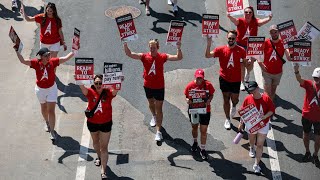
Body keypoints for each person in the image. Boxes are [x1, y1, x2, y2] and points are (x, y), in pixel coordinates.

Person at [123, 39, 183, 144]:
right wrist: (125, 43)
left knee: (159, 108)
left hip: (159, 87)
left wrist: (178, 48)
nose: (152, 49)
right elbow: (129, 54)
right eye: (150, 47)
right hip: (148, 86)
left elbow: (178, 57)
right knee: (151, 103)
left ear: (158, 47)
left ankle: (158, 132)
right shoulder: (144, 56)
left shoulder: (163, 57)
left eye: (154, 47)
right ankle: (154, 116)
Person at [14, 47, 75, 142]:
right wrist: (17, 51)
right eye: (46, 55)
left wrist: (74, 51)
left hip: (52, 89)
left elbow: (65, 58)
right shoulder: (35, 63)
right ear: (41, 56)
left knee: (51, 111)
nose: (48, 57)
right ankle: (47, 122)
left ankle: (52, 131)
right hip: (40, 90)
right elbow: (22, 61)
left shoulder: (53, 62)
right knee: (43, 108)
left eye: (49, 55)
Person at [78, 74, 119, 180]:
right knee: (96, 142)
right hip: (92, 123)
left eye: (100, 83)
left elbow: (115, 91)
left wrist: (118, 81)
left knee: (104, 147)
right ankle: (99, 157)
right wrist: (78, 78)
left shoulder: (108, 92)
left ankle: (103, 170)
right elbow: (82, 88)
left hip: (106, 123)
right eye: (96, 83)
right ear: (93, 83)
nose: (98, 85)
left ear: (103, 83)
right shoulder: (90, 92)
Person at [205, 30, 245, 130]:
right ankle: (227, 119)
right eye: (229, 38)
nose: (231, 40)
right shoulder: (220, 49)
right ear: (227, 38)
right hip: (224, 79)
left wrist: (252, 60)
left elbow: (245, 64)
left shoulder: (241, 50)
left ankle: (234, 105)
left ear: (236, 39)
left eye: (233, 38)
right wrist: (208, 45)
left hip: (236, 80)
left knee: (234, 99)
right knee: (226, 98)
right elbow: (207, 55)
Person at [227, 6, 272, 87]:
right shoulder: (240, 21)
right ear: (244, 13)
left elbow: (262, 21)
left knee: (250, 64)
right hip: (240, 46)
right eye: (246, 12)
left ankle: (248, 73)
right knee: (242, 64)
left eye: (250, 12)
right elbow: (235, 21)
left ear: (252, 13)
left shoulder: (255, 21)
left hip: (252, 46)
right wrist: (229, 16)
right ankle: (242, 82)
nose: (248, 14)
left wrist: (269, 18)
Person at [238, 81, 275, 174]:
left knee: (260, 145)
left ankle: (256, 164)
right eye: (251, 91)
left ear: (258, 88)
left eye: (254, 90)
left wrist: (265, 117)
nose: (252, 92)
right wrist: (241, 122)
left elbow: (271, 110)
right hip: (251, 125)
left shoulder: (266, 98)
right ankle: (251, 147)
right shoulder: (247, 99)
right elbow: (243, 112)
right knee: (252, 140)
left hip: (263, 125)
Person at [184, 69, 214, 160]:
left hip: (205, 110)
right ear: (195, 77)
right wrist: (187, 101)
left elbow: (212, 94)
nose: (199, 80)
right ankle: (195, 142)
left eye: (201, 78)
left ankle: (203, 149)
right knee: (194, 127)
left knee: (203, 130)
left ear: (203, 78)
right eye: (198, 78)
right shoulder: (190, 86)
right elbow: (186, 96)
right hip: (194, 110)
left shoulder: (208, 85)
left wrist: (209, 100)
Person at [293, 65, 320, 167]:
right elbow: (299, 80)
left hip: (318, 118)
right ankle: (308, 152)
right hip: (307, 116)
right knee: (306, 134)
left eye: (318, 78)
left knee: (318, 139)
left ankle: (315, 154)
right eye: (315, 77)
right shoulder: (309, 84)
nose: (316, 79)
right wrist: (296, 71)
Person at [257, 25, 291, 101]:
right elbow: (258, 54)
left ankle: (271, 103)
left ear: (278, 32)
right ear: (270, 33)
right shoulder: (266, 42)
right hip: (267, 72)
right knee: (267, 90)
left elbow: (289, 57)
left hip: (278, 72)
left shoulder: (283, 43)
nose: (274, 34)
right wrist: (260, 64)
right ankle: (268, 105)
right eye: (272, 32)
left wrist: (294, 51)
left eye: (275, 32)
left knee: (273, 89)